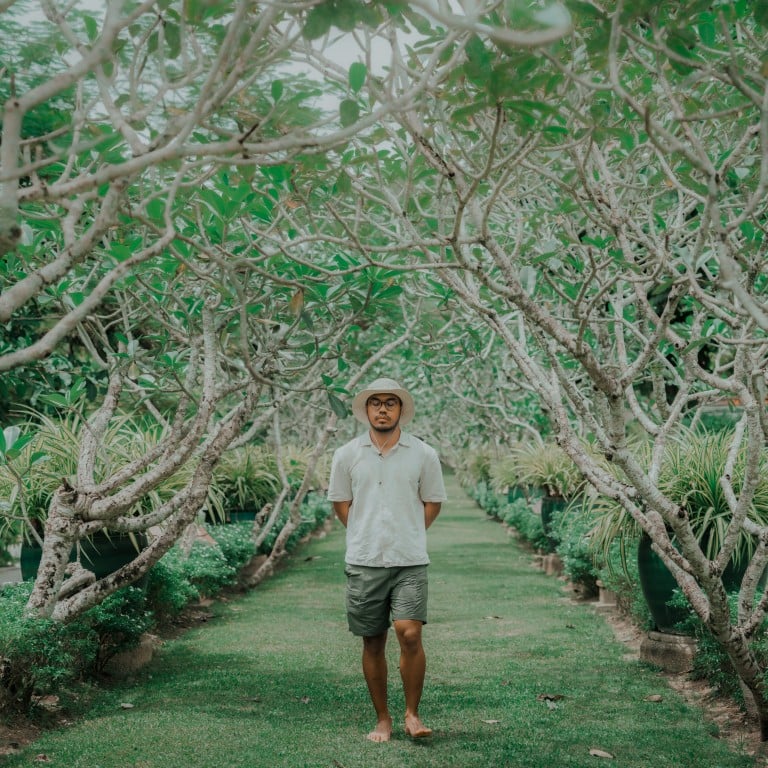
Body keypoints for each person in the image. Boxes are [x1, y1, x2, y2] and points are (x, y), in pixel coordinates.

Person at [327, 377, 447, 743]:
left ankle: (412, 714)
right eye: (375, 403)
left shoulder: (423, 453)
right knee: (372, 641)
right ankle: (383, 719)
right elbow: (341, 505)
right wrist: (367, 533)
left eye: (390, 403)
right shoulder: (347, 454)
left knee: (409, 632)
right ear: (366, 410)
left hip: (409, 559)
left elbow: (432, 502)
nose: (382, 409)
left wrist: (407, 532)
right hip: (364, 560)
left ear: (400, 410)